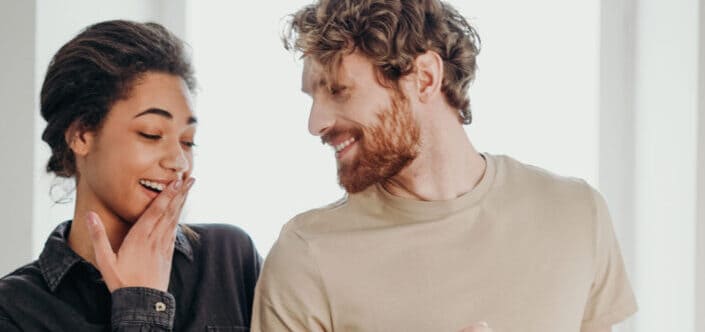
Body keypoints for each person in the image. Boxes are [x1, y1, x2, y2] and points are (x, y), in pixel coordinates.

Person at [251, 1, 637, 331]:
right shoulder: (305, 255)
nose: (315, 122)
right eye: (312, 96)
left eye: (338, 90)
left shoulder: (576, 213)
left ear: (424, 78)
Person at [0, 20, 260, 331]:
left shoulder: (229, 258)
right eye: (151, 134)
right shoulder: (14, 309)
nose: (179, 160)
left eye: (188, 141)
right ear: (81, 135)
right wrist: (140, 303)